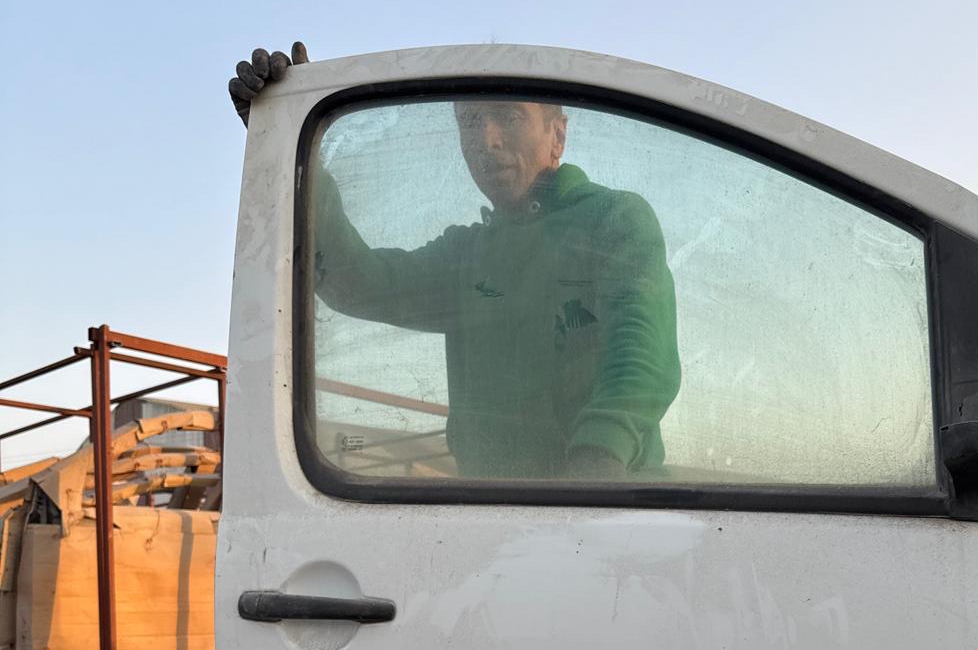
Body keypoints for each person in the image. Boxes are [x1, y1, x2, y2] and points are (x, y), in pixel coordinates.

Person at [230, 44, 680, 479]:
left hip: (607, 501)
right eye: (470, 121)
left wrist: (598, 462)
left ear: (557, 136)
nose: (486, 139)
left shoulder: (612, 219)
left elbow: (640, 350)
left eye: (509, 117)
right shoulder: (466, 256)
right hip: (484, 507)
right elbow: (360, 282)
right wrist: (288, 139)